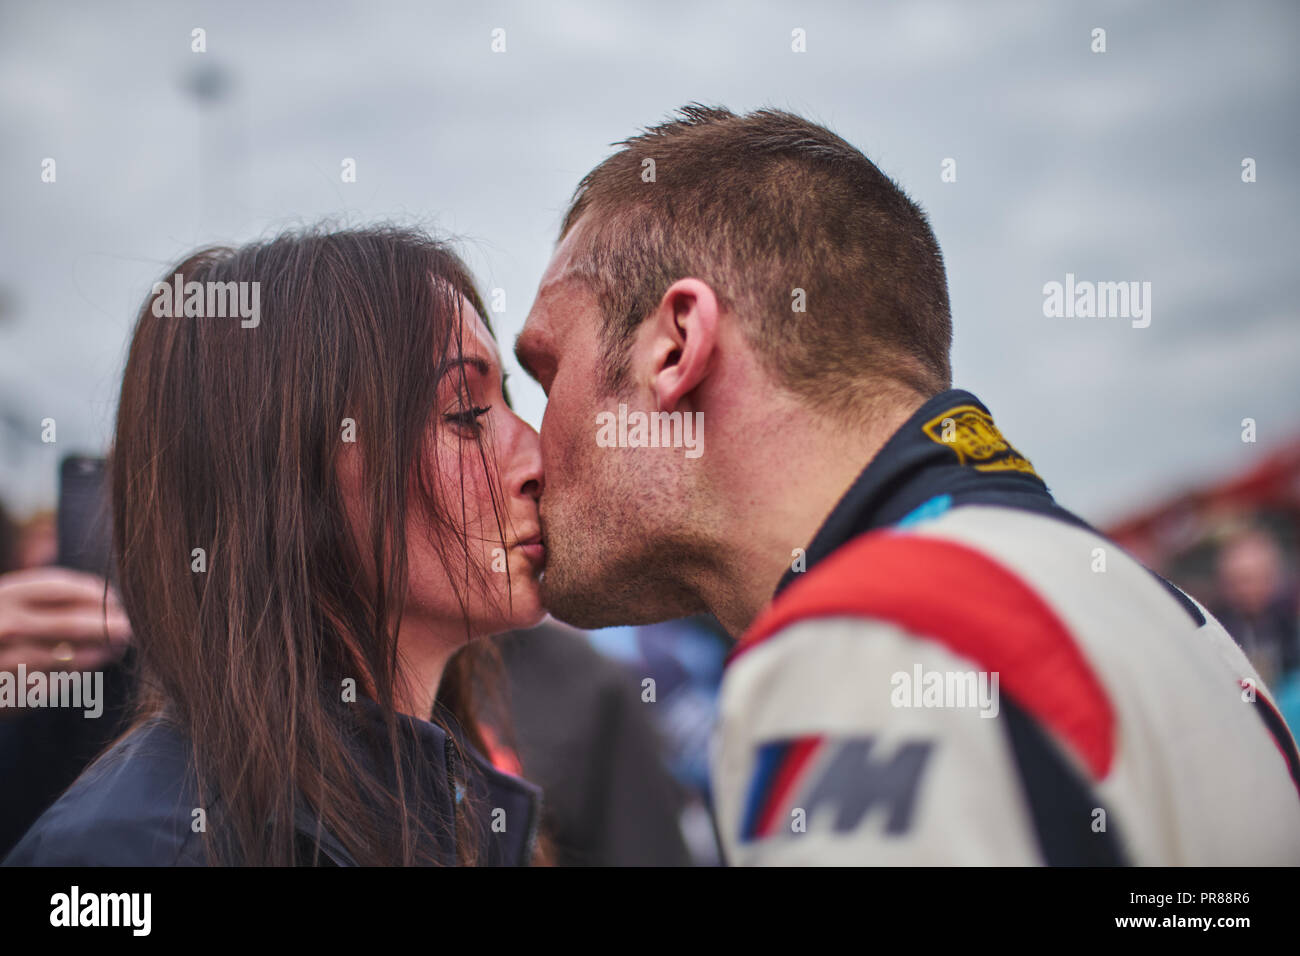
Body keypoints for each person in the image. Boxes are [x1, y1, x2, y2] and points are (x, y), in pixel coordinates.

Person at [514, 104, 1300, 864]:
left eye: (547, 374)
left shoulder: (864, 647)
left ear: (675, 347)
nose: (527, 447)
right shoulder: (1178, 621)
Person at [6, 227, 546, 866]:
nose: (536, 456)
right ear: (290, 476)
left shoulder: (448, 811)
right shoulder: (135, 851)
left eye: (507, 402)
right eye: (465, 414)